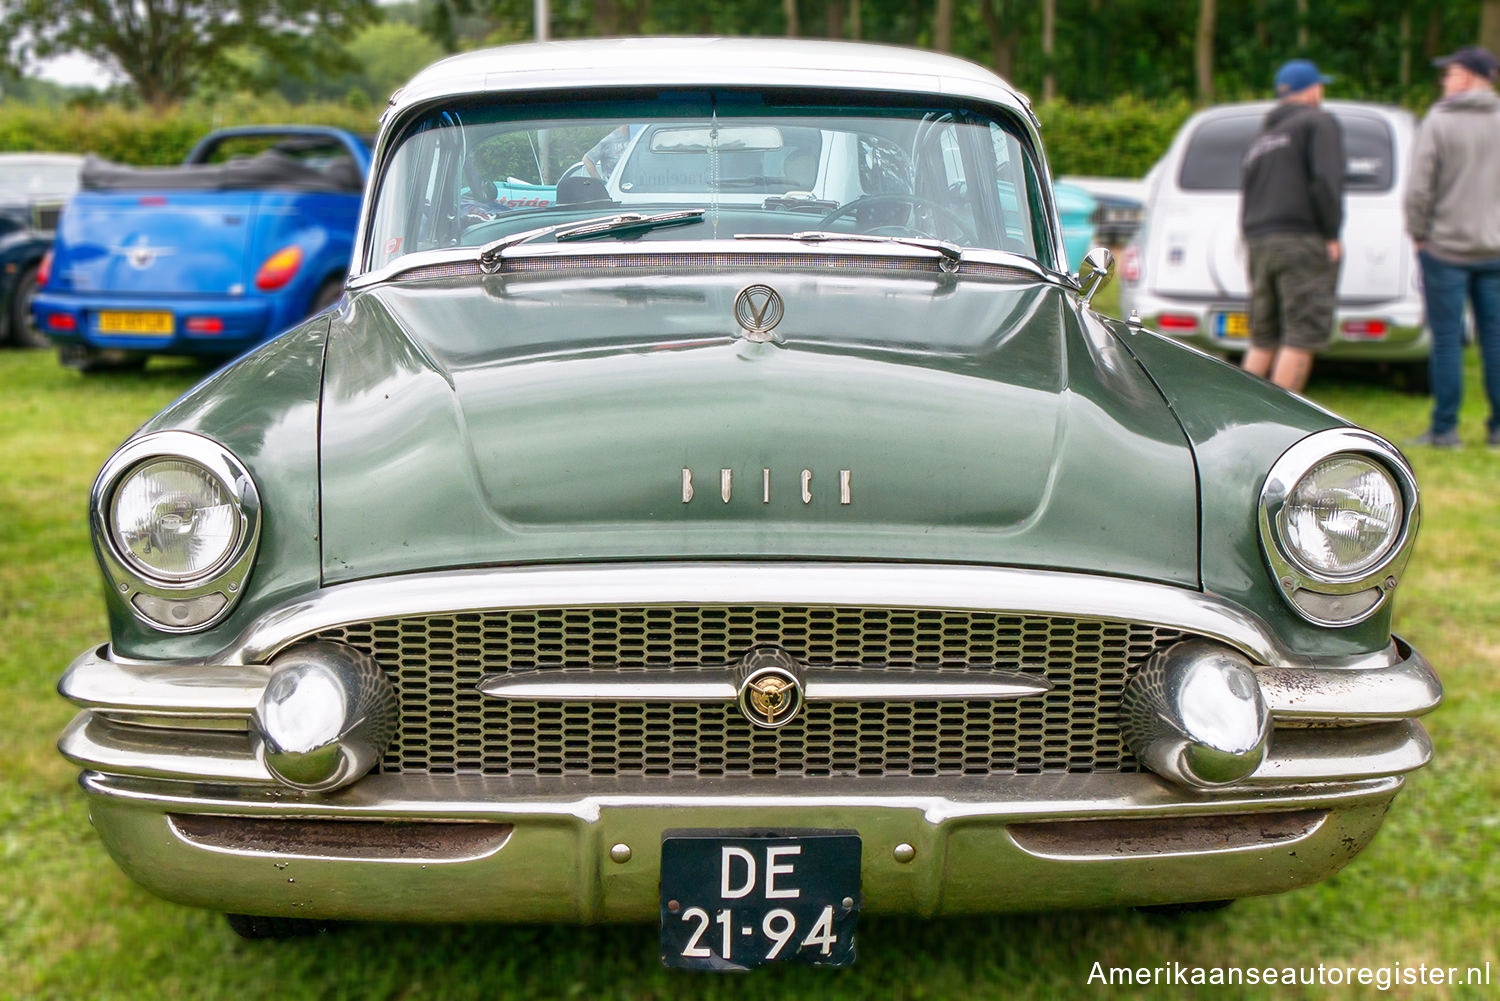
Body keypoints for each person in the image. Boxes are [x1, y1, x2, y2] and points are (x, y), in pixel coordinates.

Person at [1404, 45, 1500, 449]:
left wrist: (1418, 231)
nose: (1444, 80)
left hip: (1444, 248)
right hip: (1495, 248)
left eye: (1450, 73)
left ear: (1470, 76)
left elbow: (1420, 186)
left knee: (1446, 339)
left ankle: (1445, 429)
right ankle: (1498, 430)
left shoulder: (1439, 122)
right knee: (1494, 338)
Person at [1239, 59, 1345, 394]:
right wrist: (1331, 233)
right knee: (1301, 335)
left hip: (1258, 243)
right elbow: (1327, 181)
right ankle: (1281, 430)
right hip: (1300, 239)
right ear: (1313, 90)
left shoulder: (1263, 134)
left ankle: (1242, 418)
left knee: (1263, 338)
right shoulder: (1318, 122)